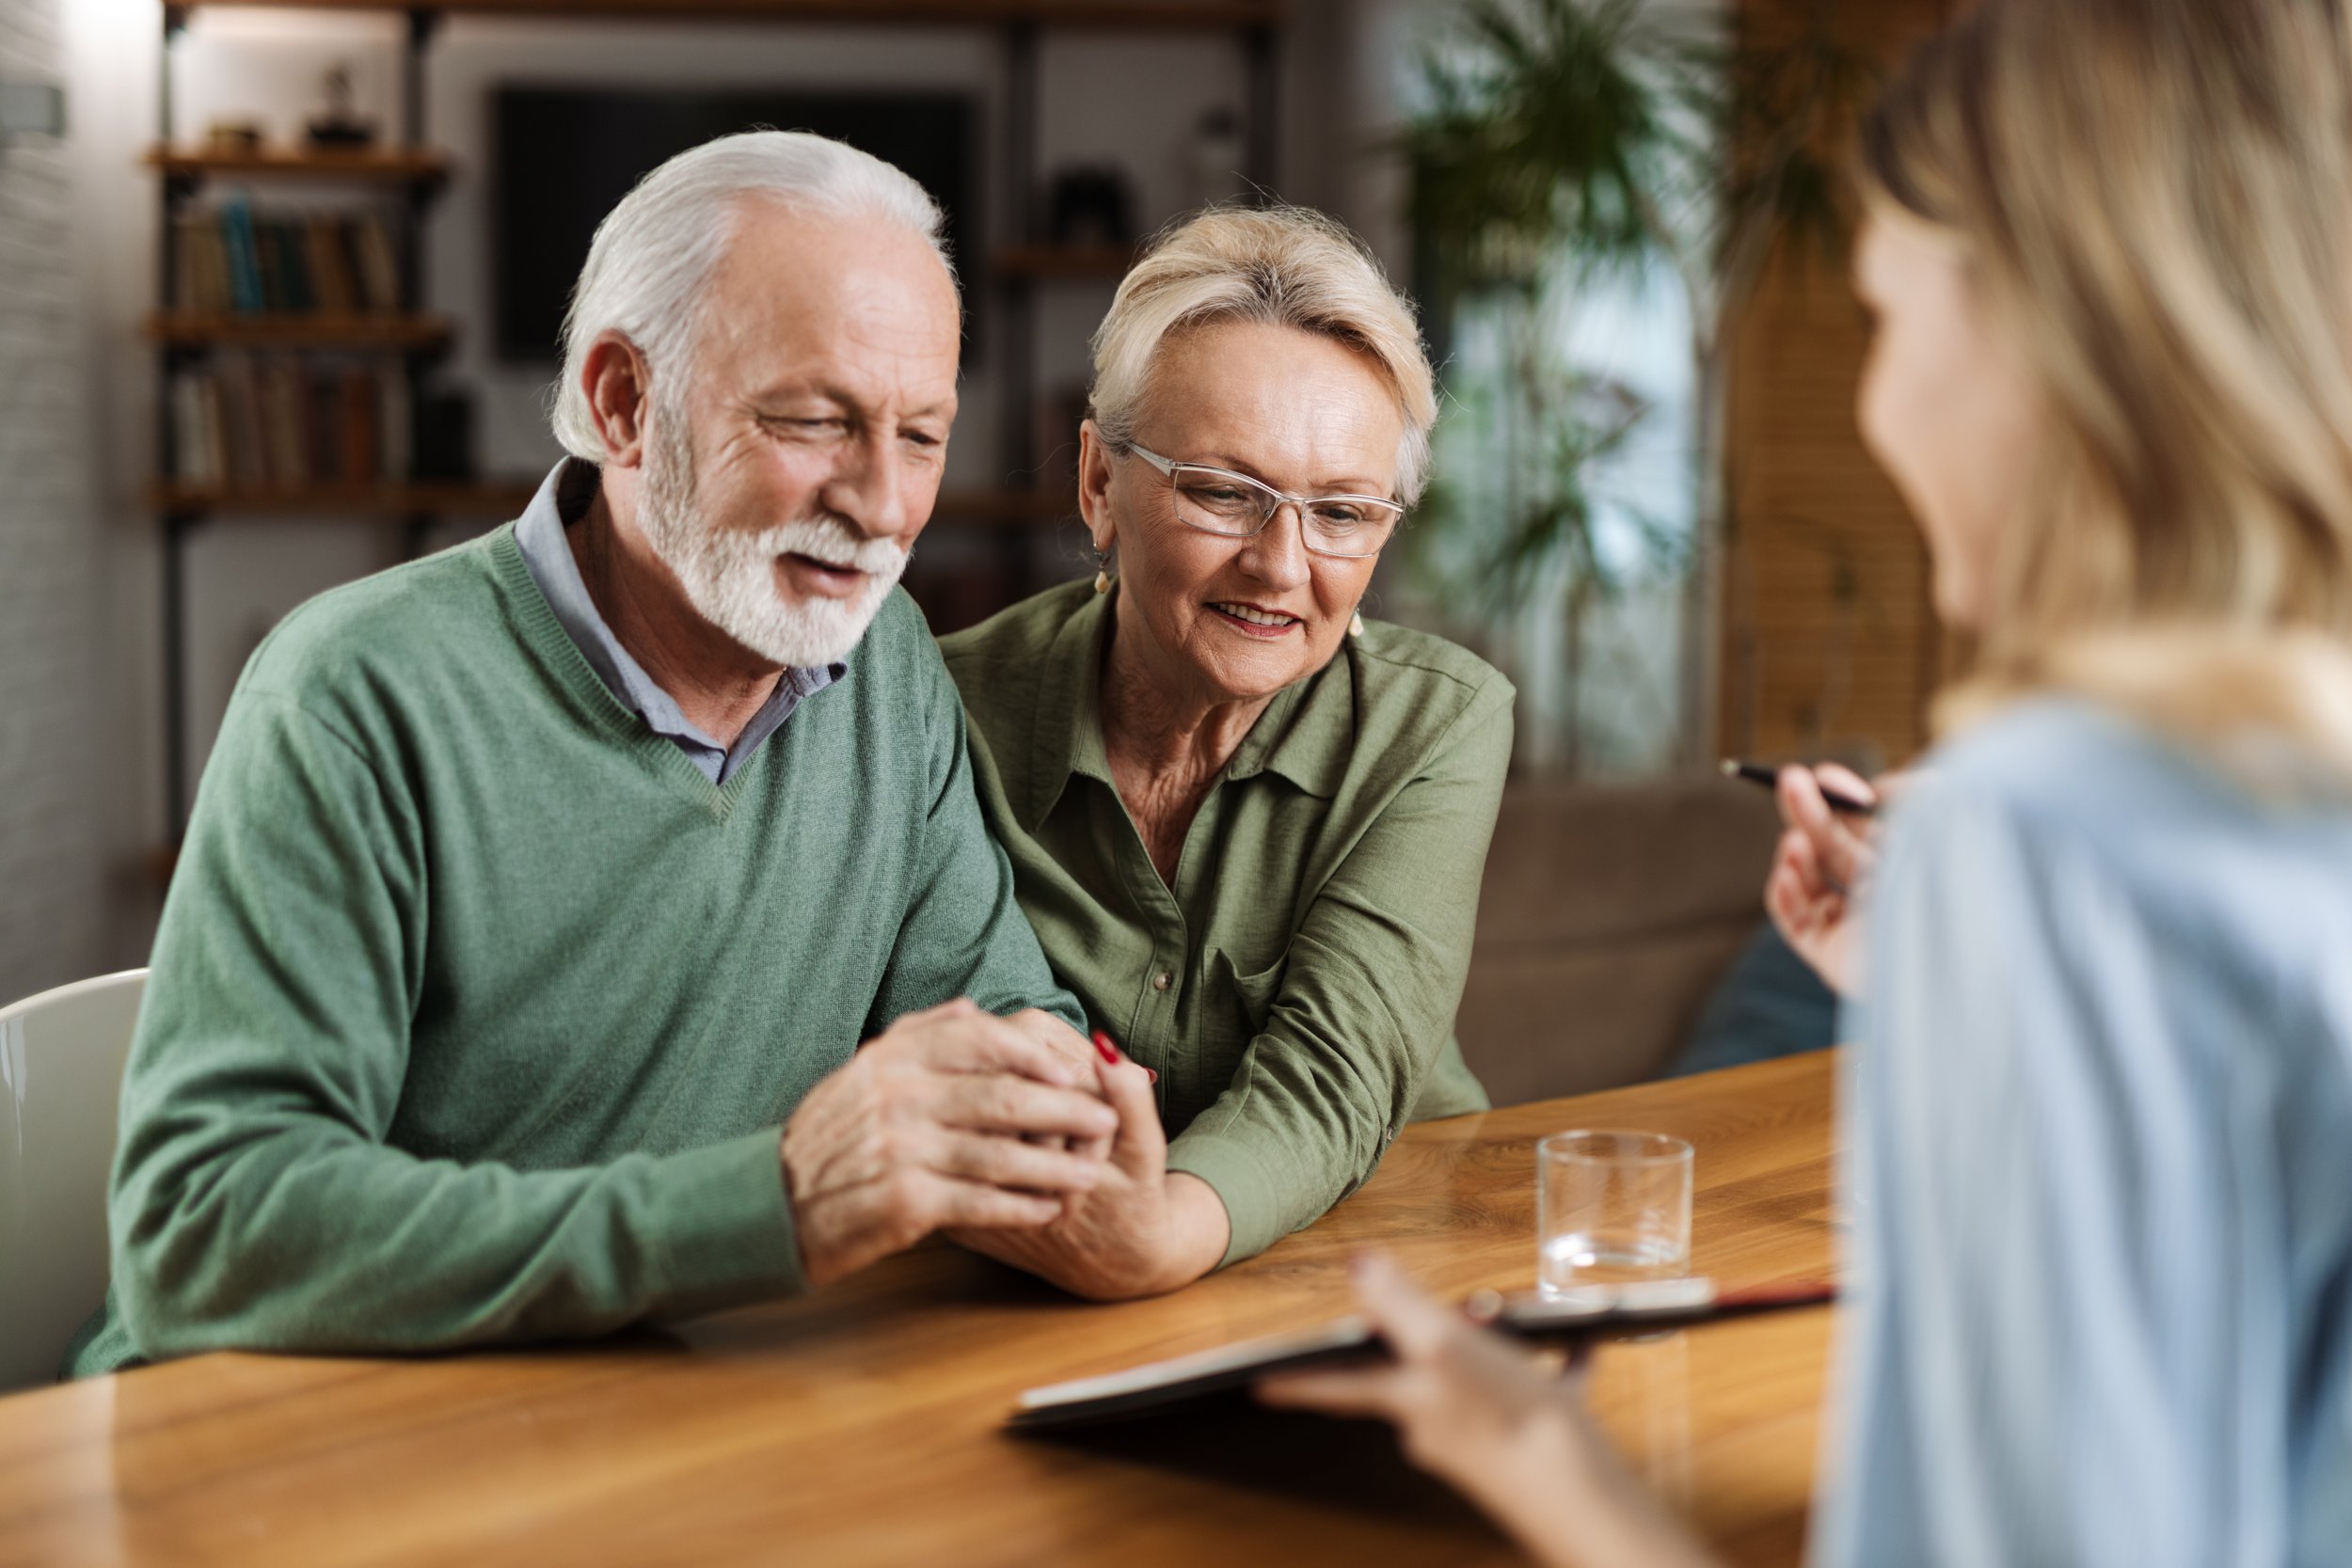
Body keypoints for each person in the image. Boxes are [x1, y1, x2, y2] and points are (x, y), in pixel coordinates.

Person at [1262, 3, 2352, 1564]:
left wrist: (1560, 1476)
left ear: (2050, 330)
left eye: (1890, 319)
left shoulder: (2050, 832)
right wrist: (1939, 983)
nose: (1874, 407)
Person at [67, 132, 1134, 1376]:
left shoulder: (887, 665)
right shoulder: (351, 693)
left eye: (923, 433)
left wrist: (1070, 1099)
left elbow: (994, 1011)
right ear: (625, 401)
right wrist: (766, 1206)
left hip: (632, 1408)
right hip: (267, 1437)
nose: (884, 504)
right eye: (813, 419)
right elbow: (205, 1228)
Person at [936, 207, 1513, 1300]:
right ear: (1100, 483)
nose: (1282, 564)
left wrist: (1157, 1233)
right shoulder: (937, 709)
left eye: (1341, 510)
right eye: (1223, 492)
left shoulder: (1438, 723)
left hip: (1379, 1260)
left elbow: (1333, 1078)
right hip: (1031, 1277)